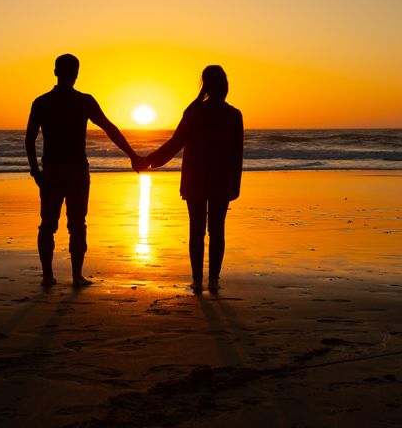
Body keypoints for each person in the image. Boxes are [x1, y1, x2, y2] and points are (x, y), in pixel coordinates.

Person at [25, 54, 144, 287]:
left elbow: (30, 140)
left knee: (48, 224)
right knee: (76, 224)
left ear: (56, 72)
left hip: (53, 170)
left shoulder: (42, 102)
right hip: (76, 171)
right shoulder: (83, 101)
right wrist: (132, 155)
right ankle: (76, 276)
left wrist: (35, 172)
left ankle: (48, 276)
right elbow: (110, 128)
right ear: (75, 74)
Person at [146, 65, 243, 293]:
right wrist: (235, 184)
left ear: (205, 86)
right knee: (217, 229)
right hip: (221, 179)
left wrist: (149, 160)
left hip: (195, 178)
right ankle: (213, 280)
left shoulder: (194, 111)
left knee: (197, 229)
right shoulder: (233, 115)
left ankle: (198, 281)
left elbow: (174, 143)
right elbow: (236, 154)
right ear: (226, 86)